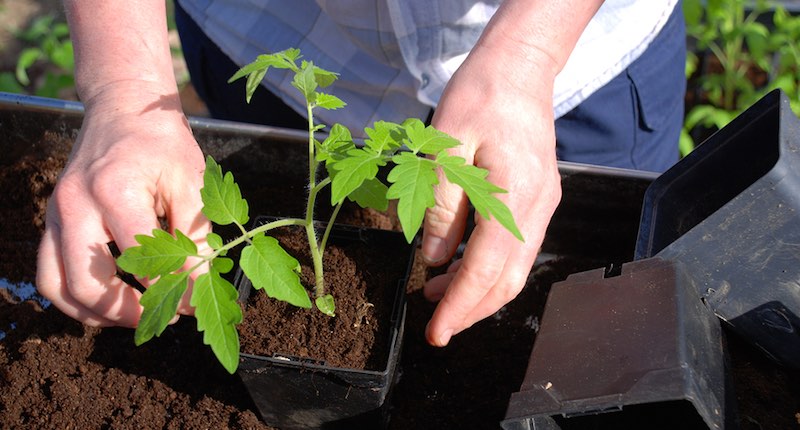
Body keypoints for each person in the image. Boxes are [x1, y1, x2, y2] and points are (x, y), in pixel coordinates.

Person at [37, 0, 685, 347]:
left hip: (576, 55)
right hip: (277, 33)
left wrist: (531, 51)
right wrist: (123, 89)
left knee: (609, 297)